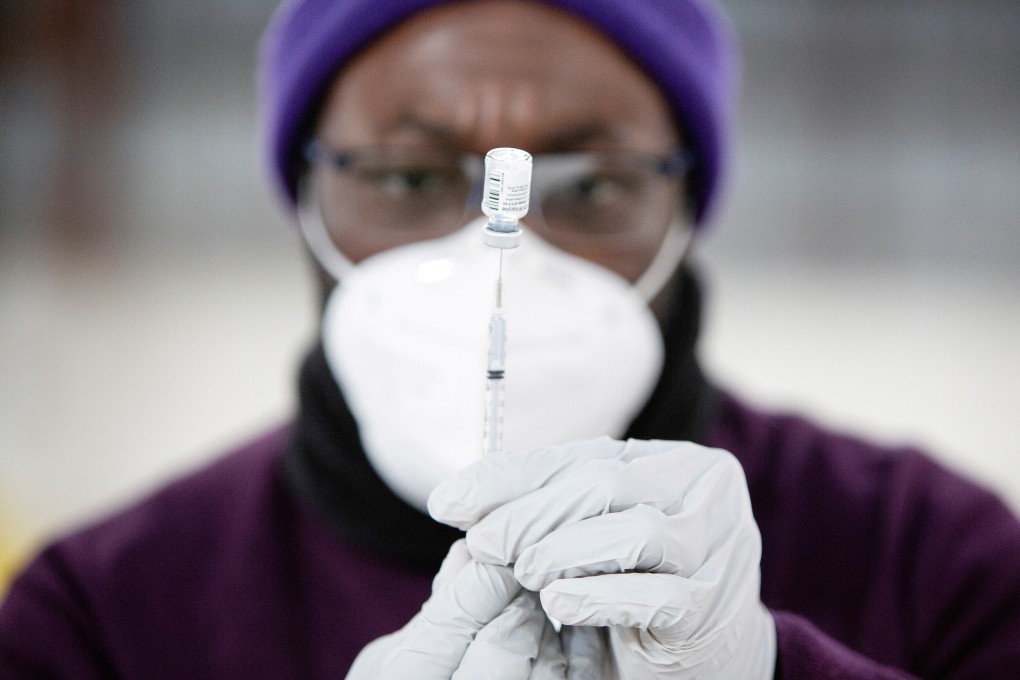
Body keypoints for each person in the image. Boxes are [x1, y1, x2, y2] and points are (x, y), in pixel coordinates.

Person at [2, 0, 1019, 677]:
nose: (511, 257)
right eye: (406, 177)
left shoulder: (929, 557)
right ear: (304, 195)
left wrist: (771, 667)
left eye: (594, 186)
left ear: (688, 210)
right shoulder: (103, 611)